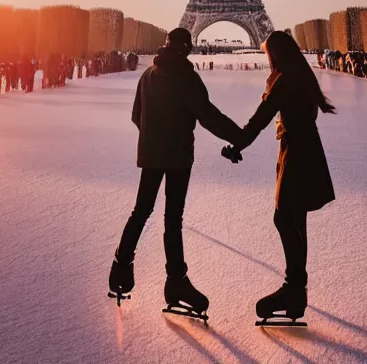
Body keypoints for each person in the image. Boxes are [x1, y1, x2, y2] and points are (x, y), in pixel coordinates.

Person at [109, 28, 242, 315]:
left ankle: (121, 268)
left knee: (141, 210)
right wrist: (239, 136)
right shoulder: (186, 77)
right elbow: (208, 115)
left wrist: (153, 137)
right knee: (172, 219)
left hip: (152, 154)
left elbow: (136, 115)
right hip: (179, 156)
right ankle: (176, 281)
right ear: (185, 48)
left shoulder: (148, 75)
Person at [222, 30, 336, 323]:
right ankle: (297, 289)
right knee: (296, 219)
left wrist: (237, 144)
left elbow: (261, 118)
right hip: (306, 152)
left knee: (283, 218)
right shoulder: (300, 76)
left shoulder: (284, 80)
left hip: (297, 155)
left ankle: (294, 287)